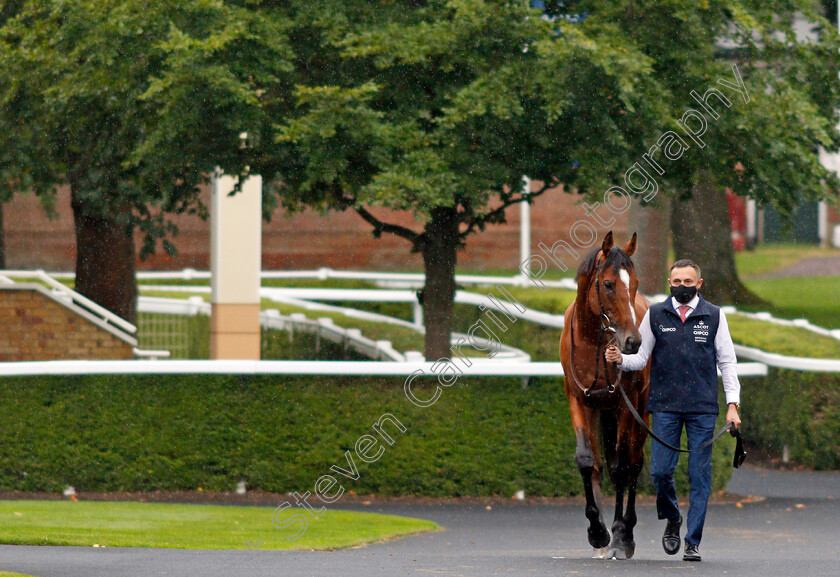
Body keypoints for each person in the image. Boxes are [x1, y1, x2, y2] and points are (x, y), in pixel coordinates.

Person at [604, 259, 741, 563]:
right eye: (676, 282)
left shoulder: (714, 317)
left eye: (688, 282)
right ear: (669, 283)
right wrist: (619, 360)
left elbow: (727, 362)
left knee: (699, 476)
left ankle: (692, 542)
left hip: (702, 409)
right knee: (660, 471)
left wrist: (733, 405)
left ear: (699, 284)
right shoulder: (655, 314)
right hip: (664, 406)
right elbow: (639, 359)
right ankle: (673, 517)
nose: (681, 287)